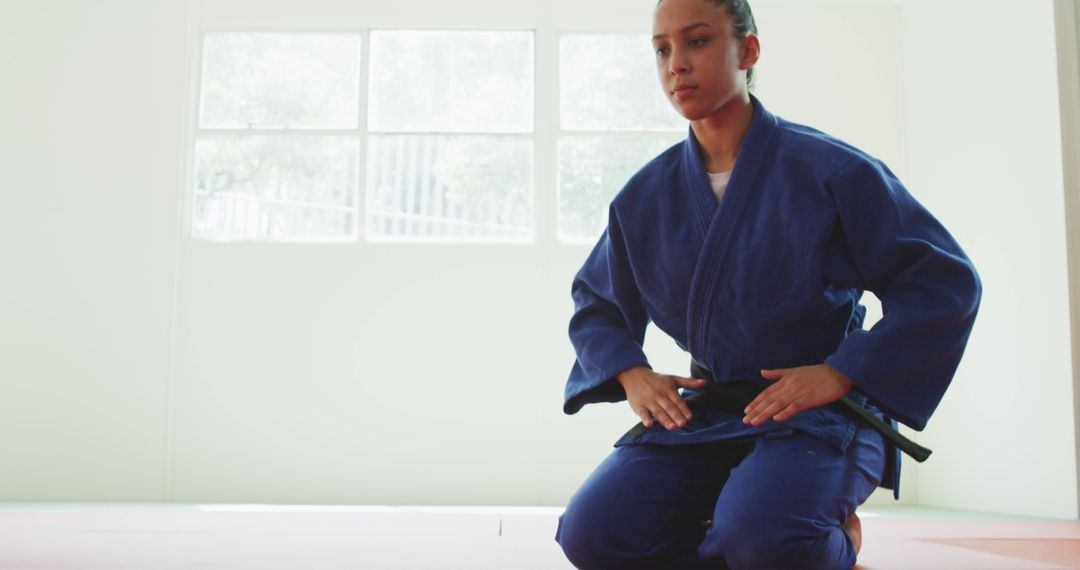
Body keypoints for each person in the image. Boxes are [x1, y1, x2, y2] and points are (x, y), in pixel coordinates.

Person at [553, 0, 982, 568]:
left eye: (698, 42)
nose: (675, 64)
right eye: (662, 48)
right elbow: (597, 303)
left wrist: (841, 372)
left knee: (763, 536)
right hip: (709, 413)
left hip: (823, 416)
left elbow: (944, 281)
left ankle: (834, 545)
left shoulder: (833, 171)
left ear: (748, 50)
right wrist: (631, 374)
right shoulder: (644, 197)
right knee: (593, 534)